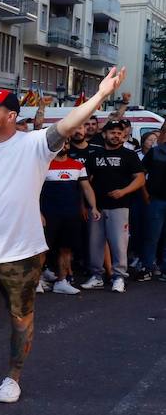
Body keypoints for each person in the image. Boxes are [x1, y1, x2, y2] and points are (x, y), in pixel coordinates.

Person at [0, 68, 125, 410]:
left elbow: (68, 122)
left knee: (21, 320)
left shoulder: (34, 145)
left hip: (23, 254)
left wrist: (101, 95)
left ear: (12, 115)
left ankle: (13, 378)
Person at [80, 117, 146, 292]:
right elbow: (86, 181)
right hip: (97, 207)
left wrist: (124, 191)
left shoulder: (129, 155)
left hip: (119, 206)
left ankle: (119, 277)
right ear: (104, 134)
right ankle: (96, 276)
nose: (116, 136)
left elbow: (140, 179)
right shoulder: (94, 156)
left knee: (119, 243)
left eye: (119, 133)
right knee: (95, 243)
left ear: (123, 136)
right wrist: (86, 205)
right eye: (112, 133)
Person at [38, 147, 95, 295]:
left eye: (66, 143)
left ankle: (62, 282)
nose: (63, 146)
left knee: (66, 248)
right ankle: (36, 281)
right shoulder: (43, 164)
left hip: (71, 215)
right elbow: (33, 190)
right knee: (42, 249)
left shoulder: (78, 165)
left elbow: (87, 188)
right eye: (60, 143)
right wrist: (38, 213)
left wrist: (94, 207)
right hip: (48, 215)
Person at [139, 131, 166, 280]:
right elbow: (141, 173)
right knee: (151, 236)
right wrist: (145, 194)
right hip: (155, 200)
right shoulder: (155, 151)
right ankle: (147, 268)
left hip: (156, 201)